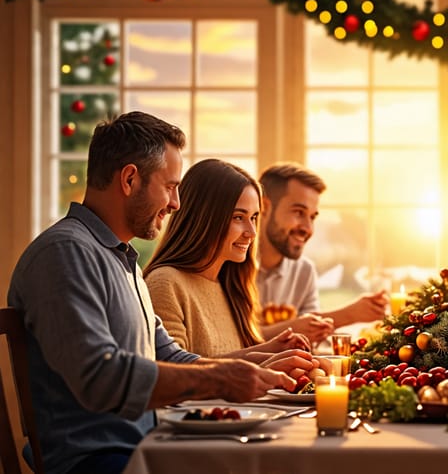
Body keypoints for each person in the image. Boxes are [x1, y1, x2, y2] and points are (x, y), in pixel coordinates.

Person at [6, 112, 305, 474]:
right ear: (130, 179)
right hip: (99, 461)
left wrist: (254, 367)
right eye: (170, 186)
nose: (176, 202)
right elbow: (101, 379)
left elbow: (171, 357)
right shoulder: (65, 253)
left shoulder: (122, 260)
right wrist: (220, 379)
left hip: (146, 447)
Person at [144, 159, 313, 361]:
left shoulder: (230, 285)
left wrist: (271, 349)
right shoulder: (166, 283)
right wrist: (261, 359)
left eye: (254, 218)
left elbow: (226, 360)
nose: (251, 232)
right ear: (204, 218)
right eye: (238, 217)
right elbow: (174, 372)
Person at [256, 162, 389, 343]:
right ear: (264, 207)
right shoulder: (229, 267)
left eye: (312, 217)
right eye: (298, 212)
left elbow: (309, 338)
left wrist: (355, 313)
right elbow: (227, 341)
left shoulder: (304, 271)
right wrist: (348, 315)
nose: (308, 228)